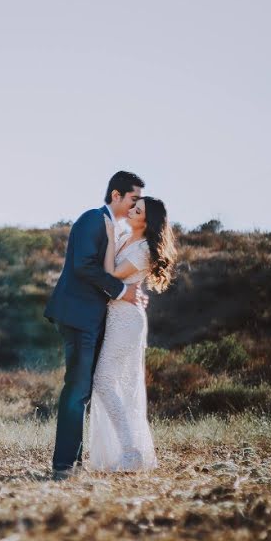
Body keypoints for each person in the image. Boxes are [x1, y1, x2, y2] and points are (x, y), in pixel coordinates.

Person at [43, 170, 147, 481]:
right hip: (77, 316)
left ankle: (72, 463)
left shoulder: (114, 227)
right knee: (77, 390)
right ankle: (64, 466)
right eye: (133, 199)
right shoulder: (93, 218)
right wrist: (122, 291)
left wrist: (131, 289)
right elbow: (83, 264)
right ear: (116, 195)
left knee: (83, 390)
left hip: (94, 318)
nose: (135, 205)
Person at [88, 195, 176, 471]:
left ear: (147, 221)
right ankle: (123, 451)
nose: (132, 209)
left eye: (138, 210)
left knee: (104, 380)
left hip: (127, 321)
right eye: (134, 206)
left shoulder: (144, 250)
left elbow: (112, 274)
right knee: (115, 383)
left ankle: (131, 450)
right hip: (113, 316)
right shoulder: (127, 236)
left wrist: (111, 234)